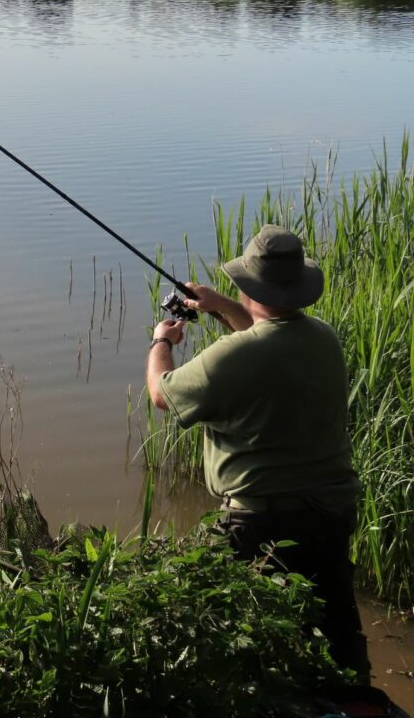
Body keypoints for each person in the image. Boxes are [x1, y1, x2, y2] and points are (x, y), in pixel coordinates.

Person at [145, 224, 370, 681]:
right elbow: (268, 333)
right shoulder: (322, 338)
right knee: (336, 631)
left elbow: (162, 394)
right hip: (330, 512)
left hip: (261, 526)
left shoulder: (237, 355)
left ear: (250, 286)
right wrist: (222, 306)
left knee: (240, 644)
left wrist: (161, 342)